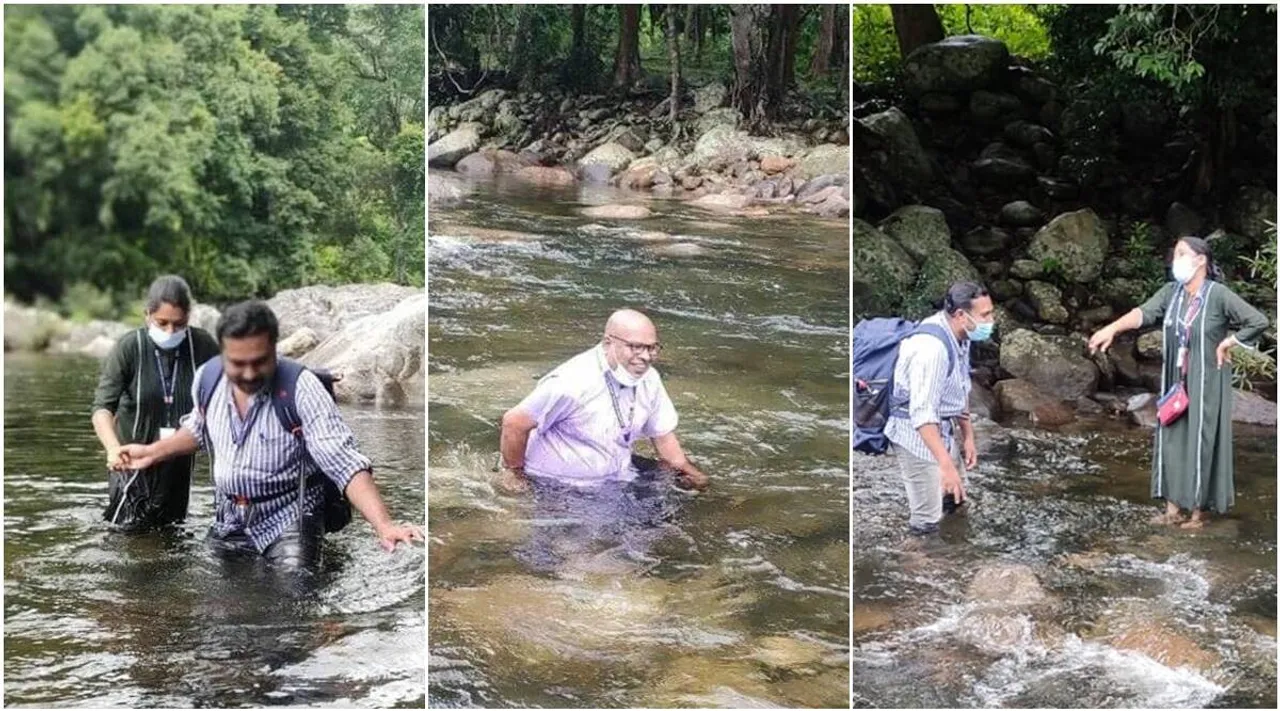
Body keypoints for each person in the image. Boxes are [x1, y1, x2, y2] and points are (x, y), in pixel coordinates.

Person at [114, 300, 422, 569]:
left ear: (274, 350)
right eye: (237, 364)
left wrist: (384, 526)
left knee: (290, 611)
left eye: (259, 362)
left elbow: (343, 462)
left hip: (289, 517)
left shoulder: (301, 388)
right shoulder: (207, 378)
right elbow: (199, 428)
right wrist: (153, 452)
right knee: (209, 611)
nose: (248, 374)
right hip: (229, 518)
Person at [1088, 236, 1269, 529]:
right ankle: (1172, 509)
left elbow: (1257, 321)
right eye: (1175, 255)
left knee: (1200, 440)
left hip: (1207, 379)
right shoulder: (1171, 292)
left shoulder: (1218, 295)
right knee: (1170, 435)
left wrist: (1228, 343)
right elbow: (1143, 313)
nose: (1175, 260)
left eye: (1182, 254)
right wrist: (1112, 328)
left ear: (1201, 261)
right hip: (1176, 379)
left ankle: (1198, 514)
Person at [498, 308, 709, 493]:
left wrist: (690, 472)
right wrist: (514, 474)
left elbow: (663, 436)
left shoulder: (649, 379)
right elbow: (514, 422)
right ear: (608, 343)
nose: (645, 356)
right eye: (636, 347)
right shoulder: (572, 381)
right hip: (554, 485)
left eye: (652, 348)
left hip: (615, 481)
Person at [92, 275, 221, 531]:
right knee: (127, 535)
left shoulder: (203, 346)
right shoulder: (130, 347)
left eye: (179, 324)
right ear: (147, 315)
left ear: (188, 318)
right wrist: (112, 448)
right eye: (162, 323)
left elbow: (228, 394)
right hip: (130, 461)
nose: (171, 332)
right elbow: (103, 408)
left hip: (178, 460)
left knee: (172, 535)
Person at [885, 282, 995, 535]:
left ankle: (953, 554)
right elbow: (922, 416)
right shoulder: (930, 350)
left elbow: (960, 386)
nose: (991, 321)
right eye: (985, 315)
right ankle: (916, 565)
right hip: (915, 436)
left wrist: (968, 436)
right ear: (960, 315)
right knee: (926, 523)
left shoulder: (961, 335)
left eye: (991, 313)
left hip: (943, 428)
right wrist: (945, 466)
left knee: (955, 500)